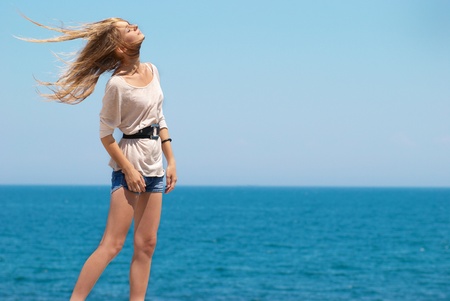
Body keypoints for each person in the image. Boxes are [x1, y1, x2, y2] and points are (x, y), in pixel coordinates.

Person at [20, 16, 177, 301]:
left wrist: (172, 160)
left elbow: (159, 117)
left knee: (147, 244)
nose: (134, 27)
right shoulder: (117, 85)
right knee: (113, 244)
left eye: (131, 24)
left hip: (155, 163)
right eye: (126, 30)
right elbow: (105, 134)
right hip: (131, 161)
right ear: (118, 47)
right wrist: (128, 169)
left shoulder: (153, 71)